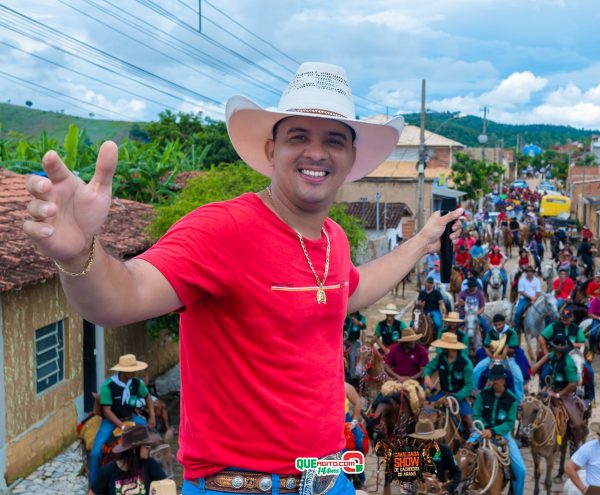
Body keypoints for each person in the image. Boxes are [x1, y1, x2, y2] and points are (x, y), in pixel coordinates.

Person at [24, 62, 464, 494]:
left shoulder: (334, 238)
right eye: (298, 137)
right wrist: (81, 251)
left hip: (327, 479)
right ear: (272, 150)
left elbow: (350, 293)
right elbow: (122, 298)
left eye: (334, 140)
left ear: (350, 160)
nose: (316, 152)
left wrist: (423, 241)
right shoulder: (223, 228)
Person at [89, 354, 154, 486]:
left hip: (131, 417)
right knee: (95, 453)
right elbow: (107, 411)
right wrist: (121, 425)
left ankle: (150, 475)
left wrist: (152, 416)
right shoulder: (108, 386)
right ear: (123, 371)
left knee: (155, 437)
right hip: (112, 421)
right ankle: (94, 485)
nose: (136, 372)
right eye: (132, 370)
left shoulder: (137, 383)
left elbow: (147, 396)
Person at [468, 363, 526, 495]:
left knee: (521, 471)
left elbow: (510, 423)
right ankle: (460, 486)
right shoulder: (483, 394)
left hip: (503, 436)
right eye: (492, 378)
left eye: (497, 379)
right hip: (481, 433)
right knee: (464, 455)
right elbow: (476, 415)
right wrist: (485, 429)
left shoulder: (512, 399)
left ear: (504, 380)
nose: (494, 382)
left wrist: (493, 432)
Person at [532, 335, 588, 445]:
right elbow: (548, 356)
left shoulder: (568, 364)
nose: (556, 352)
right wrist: (537, 365)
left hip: (565, 393)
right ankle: (524, 434)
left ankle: (575, 444)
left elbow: (573, 384)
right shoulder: (554, 355)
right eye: (555, 349)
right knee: (529, 407)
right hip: (550, 388)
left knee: (576, 424)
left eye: (559, 350)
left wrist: (558, 395)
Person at [88, 425, 167, 495]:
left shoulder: (149, 464)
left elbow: (166, 487)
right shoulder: (108, 471)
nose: (149, 448)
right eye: (146, 445)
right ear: (134, 449)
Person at [423, 333, 474, 436]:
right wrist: (427, 376)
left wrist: (454, 397)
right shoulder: (440, 357)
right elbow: (429, 368)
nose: (441, 348)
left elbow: (468, 386)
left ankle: (470, 444)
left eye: (443, 346)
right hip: (442, 393)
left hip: (458, 397)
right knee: (423, 412)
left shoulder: (466, 363)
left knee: (468, 420)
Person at [539, 308, 594, 402]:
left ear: (572, 318)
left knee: (590, 372)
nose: (564, 319)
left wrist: (573, 344)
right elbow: (541, 338)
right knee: (544, 373)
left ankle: (590, 398)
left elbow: (583, 344)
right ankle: (543, 393)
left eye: (567, 318)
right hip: (556, 355)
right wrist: (546, 354)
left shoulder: (576, 329)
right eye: (563, 317)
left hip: (572, 356)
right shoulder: (554, 326)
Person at [407, 419, 461, 495]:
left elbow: (456, 472)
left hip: (438, 490)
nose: (423, 441)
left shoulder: (444, 450)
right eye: (421, 439)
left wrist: (449, 489)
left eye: (427, 439)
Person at [513, 266, 541, 331]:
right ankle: (516, 328)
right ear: (526, 272)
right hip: (524, 299)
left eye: (531, 271)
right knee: (518, 312)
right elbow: (521, 291)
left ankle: (545, 327)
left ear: (533, 272)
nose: (529, 273)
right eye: (528, 271)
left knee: (545, 311)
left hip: (535, 298)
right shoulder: (522, 280)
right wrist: (530, 297)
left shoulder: (537, 280)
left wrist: (535, 298)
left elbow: (538, 291)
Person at [343, 310, 366, 381]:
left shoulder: (361, 317)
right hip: (341, 340)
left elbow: (363, 326)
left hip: (353, 341)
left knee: (353, 355)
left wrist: (359, 323)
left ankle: (352, 376)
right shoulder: (344, 315)